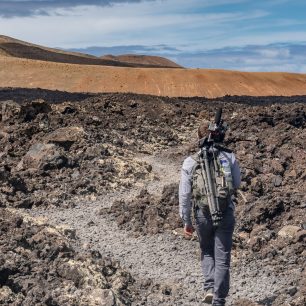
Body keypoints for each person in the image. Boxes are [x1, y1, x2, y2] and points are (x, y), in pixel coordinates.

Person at [179, 118, 241, 306]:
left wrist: (186, 220)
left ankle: (208, 288)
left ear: (199, 137)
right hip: (225, 211)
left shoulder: (190, 162)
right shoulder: (229, 157)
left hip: (202, 213)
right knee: (222, 257)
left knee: (207, 250)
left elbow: (185, 194)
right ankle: (219, 299)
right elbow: (236, 183)